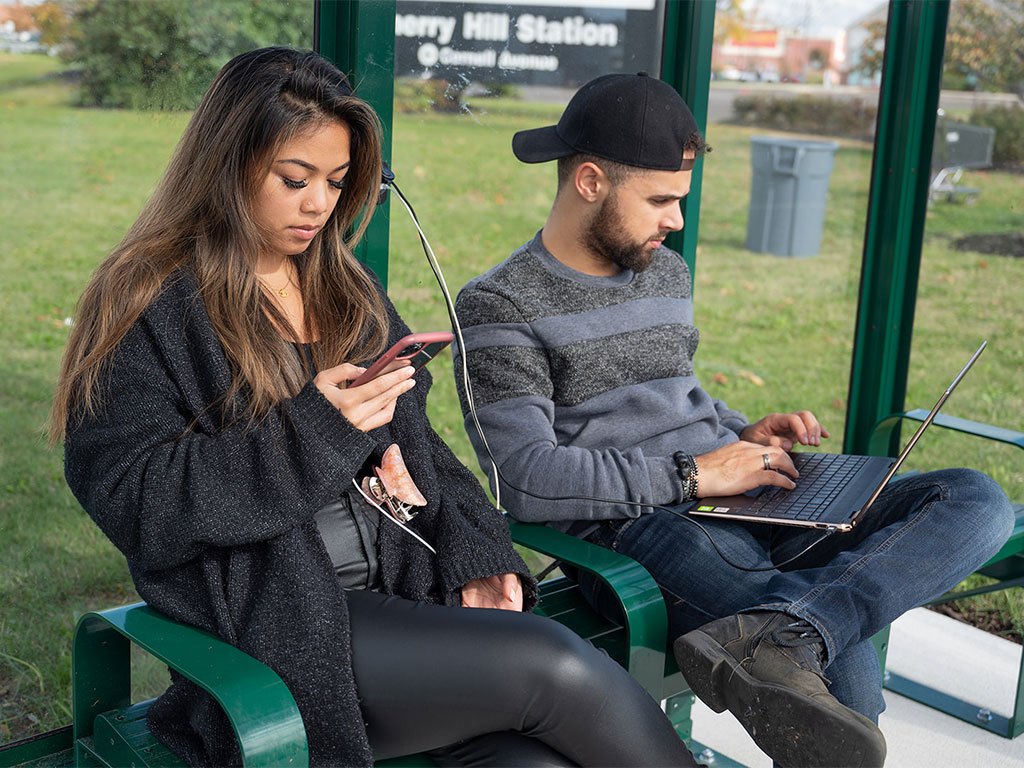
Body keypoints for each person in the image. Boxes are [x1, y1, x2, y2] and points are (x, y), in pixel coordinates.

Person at [50, 50, 699, 768]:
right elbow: (138, 501)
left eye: (335, 182)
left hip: (406, 601)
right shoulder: (150, 302)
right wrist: (317, 433)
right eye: (294, 180)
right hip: (281, 634)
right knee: (555, 666)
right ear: (227, 164)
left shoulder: (342, 287)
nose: (318, 205)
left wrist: (480, 558)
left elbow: (431, 457)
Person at [452, 72, 1015, 768]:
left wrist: (741, 432)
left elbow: (676, 393)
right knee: (846, 682)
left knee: (975, 499)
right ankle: (798, 630)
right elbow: (525, 477)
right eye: (660, 200)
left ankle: (795, 628)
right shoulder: (497, 306)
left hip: (744, 490)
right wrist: (695, 474)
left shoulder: (663, 273)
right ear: (591, 181)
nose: (676, 221)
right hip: (641, 528)